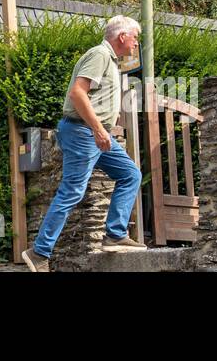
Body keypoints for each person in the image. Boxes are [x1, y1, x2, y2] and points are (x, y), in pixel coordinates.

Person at [23, 14, 146, 272]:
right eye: (135, 37)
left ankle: (115, 235)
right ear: (122, 36)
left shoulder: (110, 60)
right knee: (72, 191)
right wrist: (99, 129)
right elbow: (77, 93)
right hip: (84, 133)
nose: (136, 43)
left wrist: (104, 126)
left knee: (130, 174)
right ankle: (39, 252)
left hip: (94, 134)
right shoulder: (99, 55)